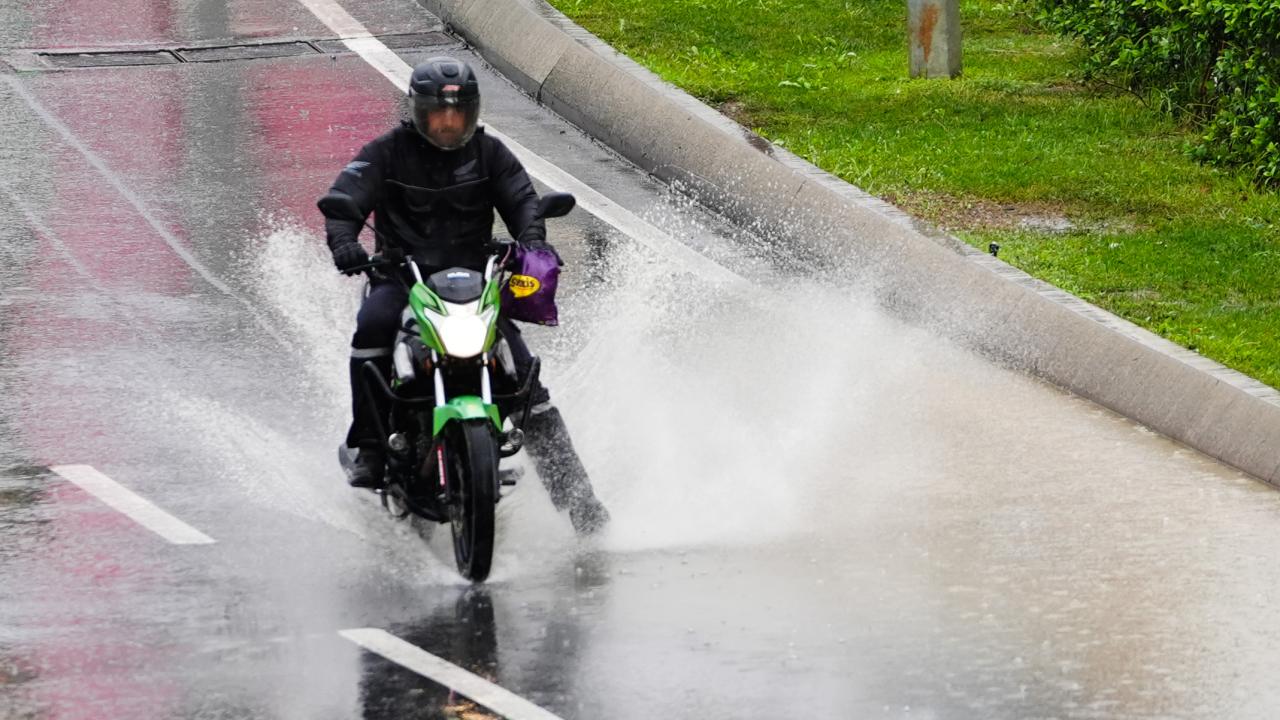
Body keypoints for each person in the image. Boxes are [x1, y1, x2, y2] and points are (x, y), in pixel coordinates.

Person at [320, 56, 609, 534]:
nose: (449, 124)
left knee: (524, 381)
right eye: (439, 113)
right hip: (402, 279)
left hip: (475, 284)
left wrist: (534, 241)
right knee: (372, 325)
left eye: (458, 114)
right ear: (418, 111)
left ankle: (582, 503)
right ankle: (370, 447)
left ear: (472, 112)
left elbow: (522, 200)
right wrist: (345, 243)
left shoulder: (490, 153)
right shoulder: (386, 152)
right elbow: (345, 200)